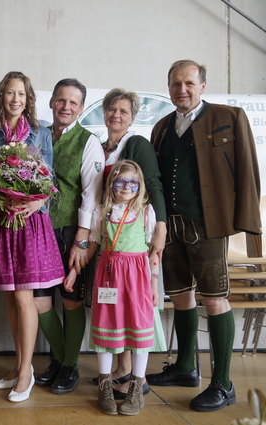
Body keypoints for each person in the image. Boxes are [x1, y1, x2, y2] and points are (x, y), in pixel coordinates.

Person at [146, 59, 261, 412]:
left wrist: (248, 223)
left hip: (209, 227)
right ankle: (185, 367)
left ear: (202, 85)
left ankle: (223, 384)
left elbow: (247, 170)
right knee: (180, 297)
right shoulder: (162, 127)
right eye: (176, 84)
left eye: (189, 83)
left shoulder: (229, 117)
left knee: (214, 300)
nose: (182, 89)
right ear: (169, 88)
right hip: (171, 226)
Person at [0, 71, 64, 402]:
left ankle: (27, 371)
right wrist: (0, 198)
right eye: (10, 94)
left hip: (30, 222)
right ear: (2, 98)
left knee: (25, 298)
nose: (16, 99)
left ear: (28, 101)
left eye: (22, 95)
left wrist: (38, 199)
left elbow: (50, 178)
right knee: (12, 297)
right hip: (1, 222)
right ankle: (18, 365)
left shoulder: (41, 134)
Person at [65, 159, 158, 415]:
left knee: (138, 331)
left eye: (132, 183)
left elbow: (153, 253)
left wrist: (154, 283)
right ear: (112, 184)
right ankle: (105, 385)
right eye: (121, 182)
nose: (126, 187)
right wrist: (74, 271)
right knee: (107, 329)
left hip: (137, 279)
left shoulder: (146, 212)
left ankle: (137, 388)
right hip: (108, 278)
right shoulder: (102, 211)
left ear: (139, 186)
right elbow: (92, 244)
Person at [94, 88, 168, 400]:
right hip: (111, 240)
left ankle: (131, 376)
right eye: (112, 109)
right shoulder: (99, 147)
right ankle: (120, 371)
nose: (116, 116)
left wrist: (161, 226)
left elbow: (152, 184)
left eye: (124, 111)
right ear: (104, 112)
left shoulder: (135, 144)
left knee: (134, 311)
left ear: (132, 117)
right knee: (115, 309)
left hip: (135, 244)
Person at [33, 78, 104, 394]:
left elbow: (92, 194)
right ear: (51, 102)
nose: (66, 106)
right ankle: (62, 359)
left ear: (81, 108)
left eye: (73, 102)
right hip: (36, 230)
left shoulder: (88, 141)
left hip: (69, 232)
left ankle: (69, 365)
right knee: (39, 301)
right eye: (61, 100)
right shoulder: (36, 137)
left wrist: (82, 240)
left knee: (71, 299)